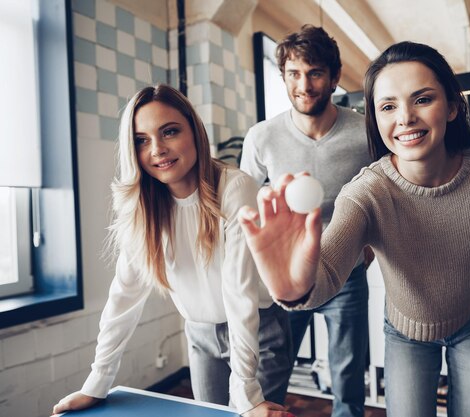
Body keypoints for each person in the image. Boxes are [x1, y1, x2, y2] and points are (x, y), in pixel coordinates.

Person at [238, 42, 470, 417]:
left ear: (452, 106)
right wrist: (293, 288)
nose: (405, 118)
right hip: (407, 331)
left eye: (422, 99)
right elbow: (331, 269)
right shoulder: (366, 192)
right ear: (375, 118)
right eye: (388, 106)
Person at [51, 84, 294, 417]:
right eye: (142, 140)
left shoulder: (235, 187)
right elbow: (124, 297)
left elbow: (239, 294)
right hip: (200, 336)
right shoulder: (143, 208)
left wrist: (247, 393)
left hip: (258, 331)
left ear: (193, 131)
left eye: (169, 132)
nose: (158, 150)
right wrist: (97, 383)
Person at [240, 25, 372, 417]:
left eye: (315, 73)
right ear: (283, 77)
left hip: (345, 270)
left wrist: (366, 249)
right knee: (273, 372)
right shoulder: (261, 137)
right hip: (284, 274)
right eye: (294, 73)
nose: (305, 84)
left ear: (333, 77)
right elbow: (243, 201)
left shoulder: (364, 132)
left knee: (348, 373)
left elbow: (383, 192)